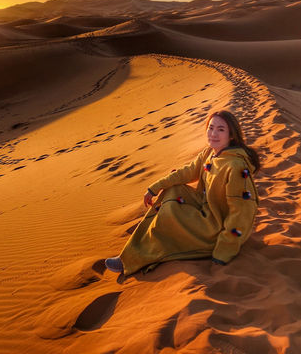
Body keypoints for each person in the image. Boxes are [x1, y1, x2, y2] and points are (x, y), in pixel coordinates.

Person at [105, 110, 260, 276]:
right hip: (204, 209)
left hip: (216, 229)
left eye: (221, 130)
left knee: (169, 214)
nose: (213, 134)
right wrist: (154, 188)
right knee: (173, 190)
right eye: (211, 127)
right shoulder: (210, 153)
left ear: (231, 135)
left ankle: (134, 258)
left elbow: (241, 213)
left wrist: (223, 252)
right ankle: (134, 251)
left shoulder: (236, 167)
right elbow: (187, 172)